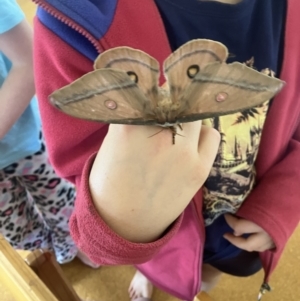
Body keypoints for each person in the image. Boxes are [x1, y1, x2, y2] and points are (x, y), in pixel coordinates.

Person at [32, 0, 300, 300]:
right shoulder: (75, 15)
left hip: (241, 227)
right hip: (163, 242)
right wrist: (126, 228)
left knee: (208, 275)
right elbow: (80, 167)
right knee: (161, 267)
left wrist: (281, 206)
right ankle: (152, 273)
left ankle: (196, 283)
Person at [0, 0, 97, 266]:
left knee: (63, 202)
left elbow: (29, 61)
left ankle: (75, 243)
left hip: (28, 139)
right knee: (17, 228)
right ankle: (48, 253)